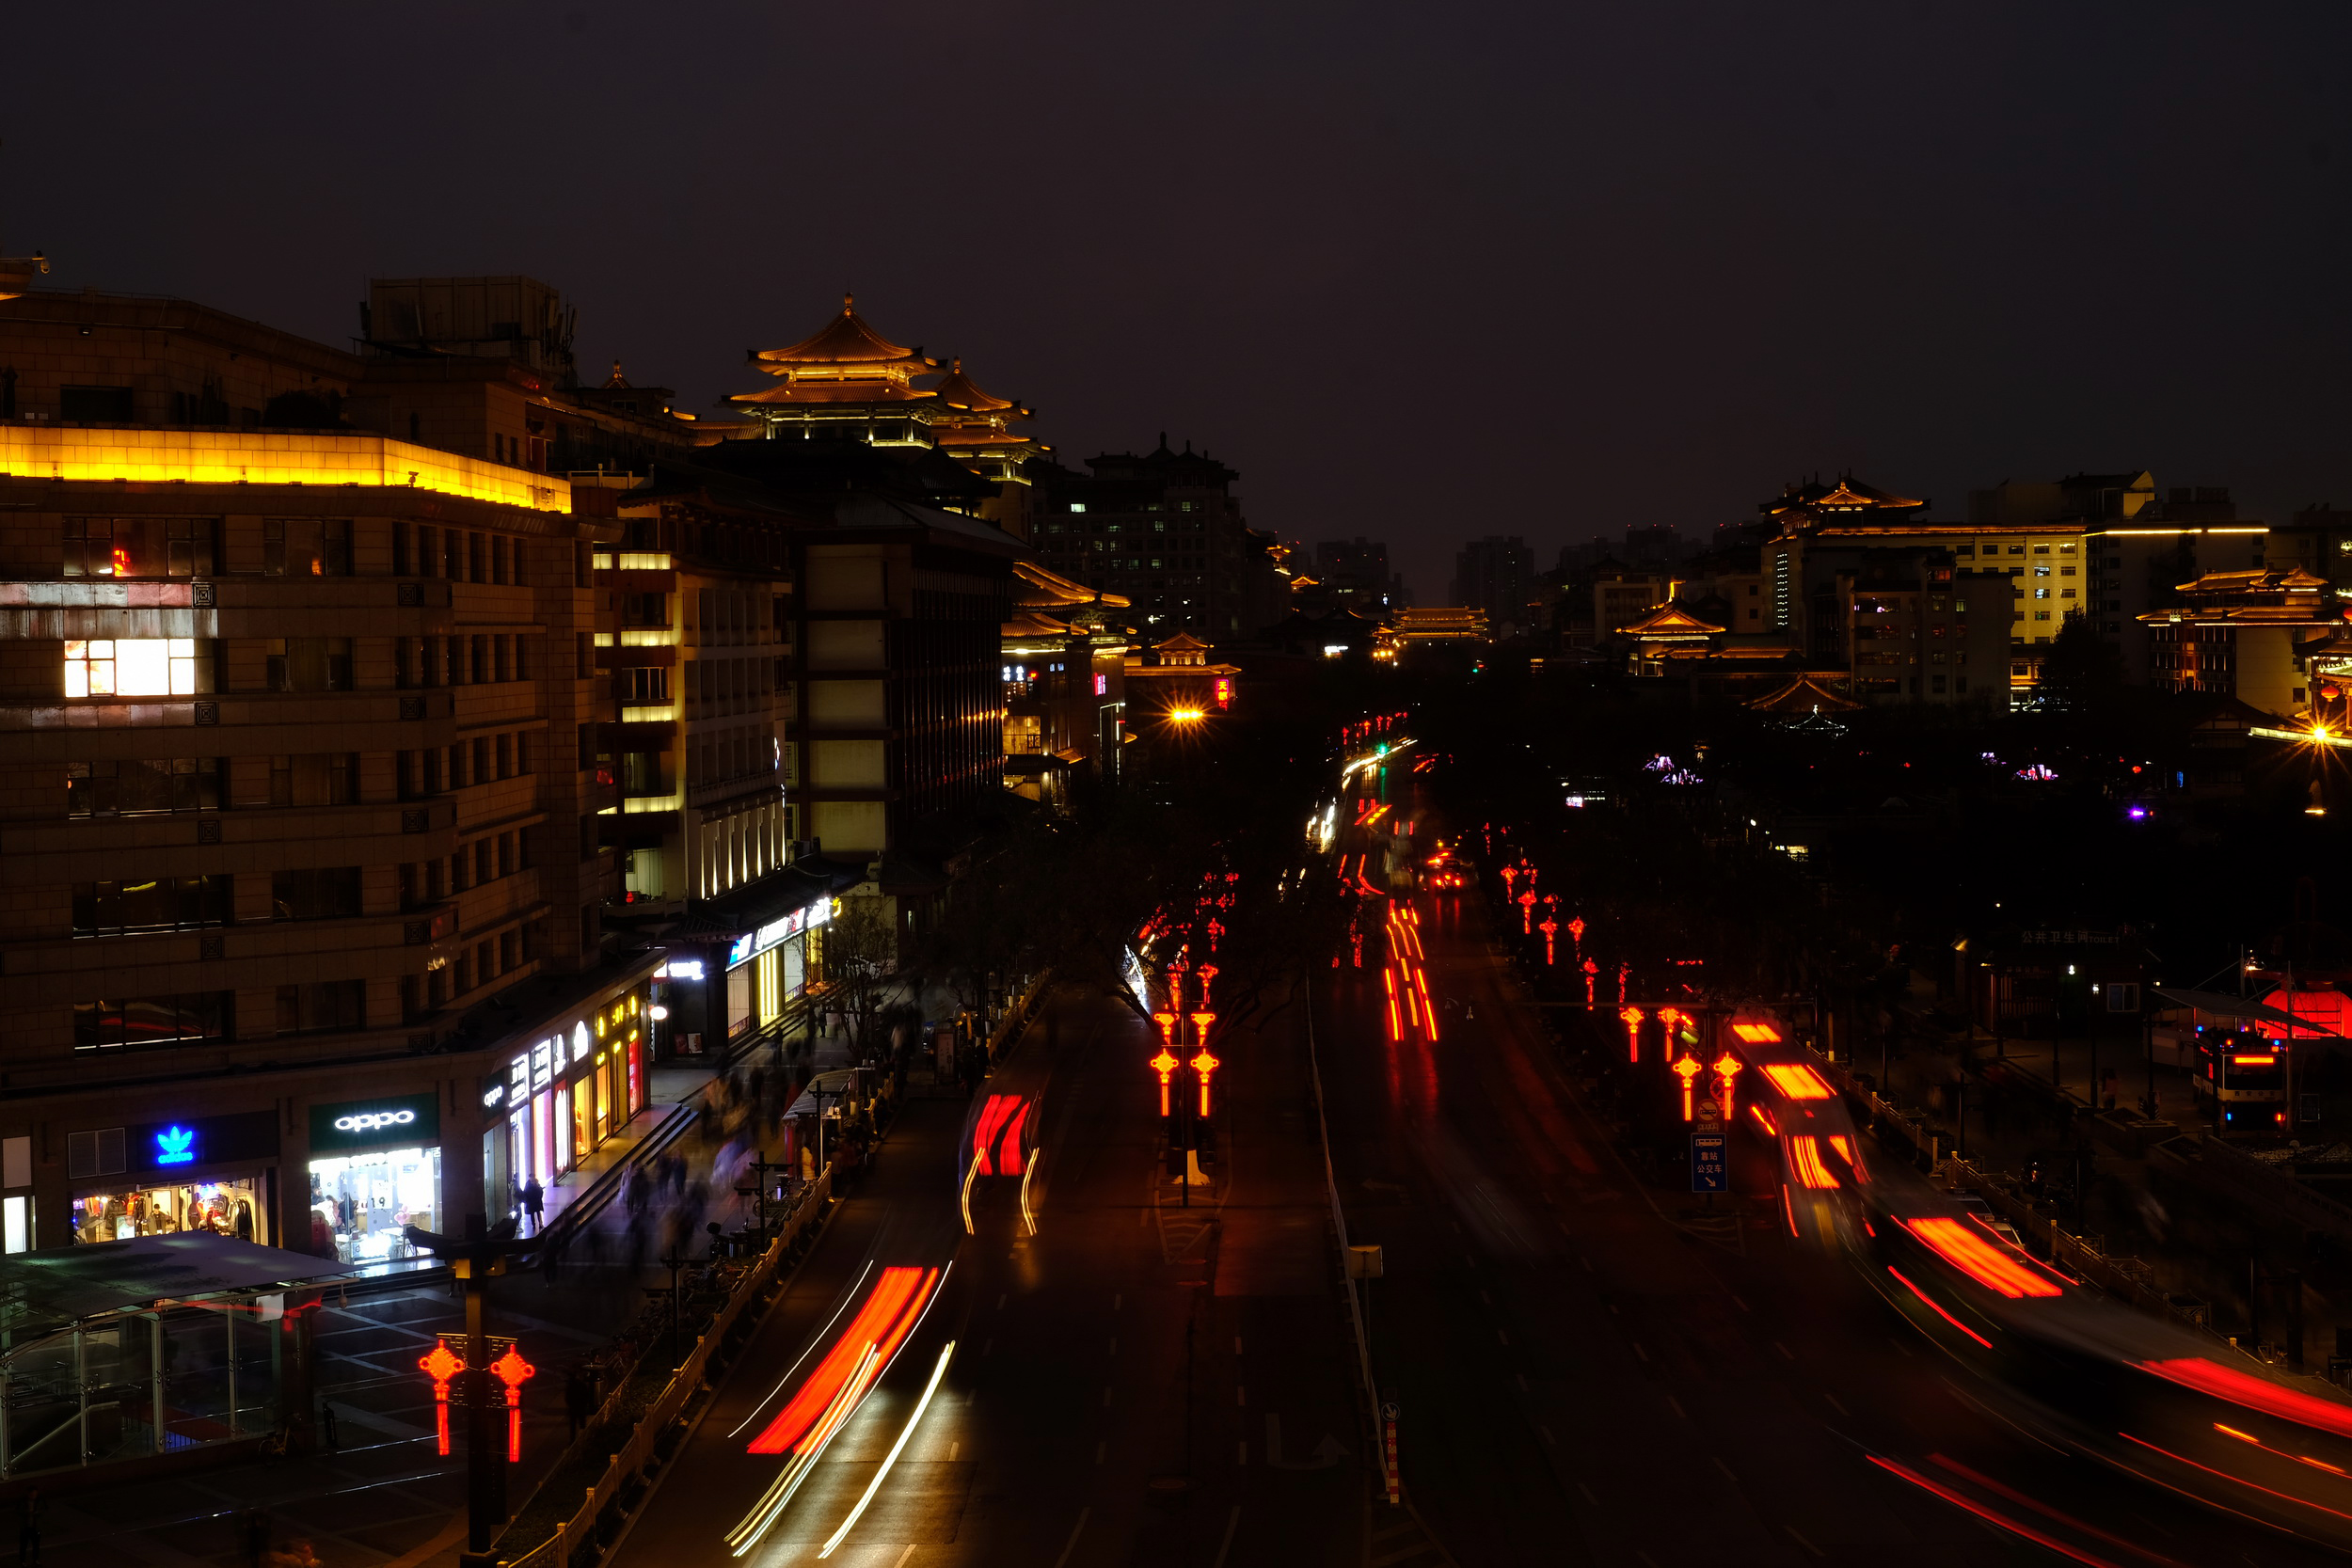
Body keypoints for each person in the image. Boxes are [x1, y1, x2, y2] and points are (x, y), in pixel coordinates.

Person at [18, 1488, 40, 1566]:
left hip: (35, 1526)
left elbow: (44, 1509)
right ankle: (23, 1561)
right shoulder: (23, 1502)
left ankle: (35, 1559)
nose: (34, 1496)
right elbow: (19, 1512)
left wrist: (38, 1513)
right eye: (32, 1494)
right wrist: (27, 1512)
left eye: (35, 1495)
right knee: (24, 1545)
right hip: (26, 1527)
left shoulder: (38, 1501)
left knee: (36, 1545)